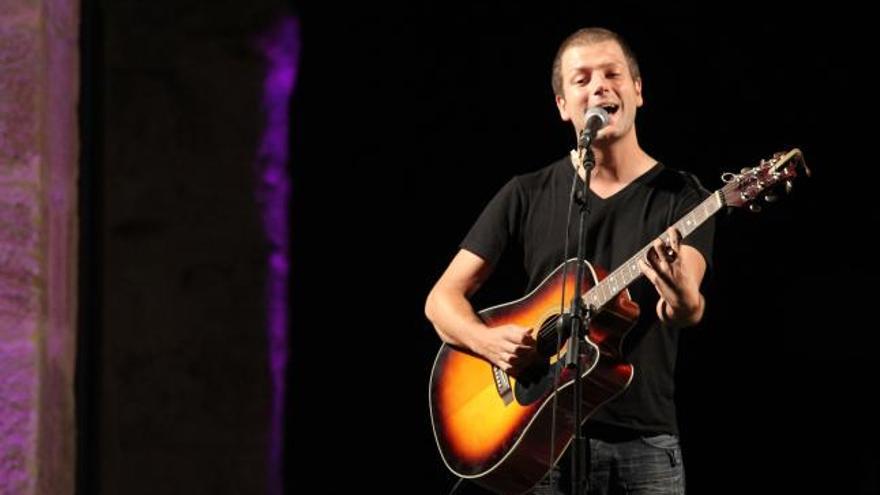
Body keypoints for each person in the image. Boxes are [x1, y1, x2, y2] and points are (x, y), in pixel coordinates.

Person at [424, 27, 715, 495]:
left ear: (637, 91)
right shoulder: (527, 192)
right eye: (581, 79)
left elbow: (685, 310)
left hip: (643, 447)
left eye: (611, 74)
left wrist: (679, 294)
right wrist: (487, 342)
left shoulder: (683, 198)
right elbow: (441, 301)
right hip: (535, 440)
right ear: (563, 106)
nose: (599, 86)